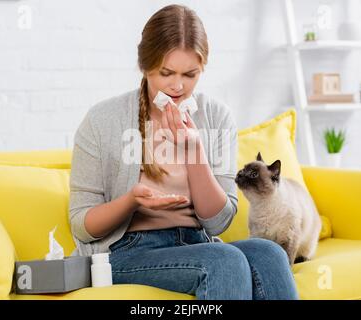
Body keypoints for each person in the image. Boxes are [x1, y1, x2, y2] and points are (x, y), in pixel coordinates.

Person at [69, 4, 299, 300]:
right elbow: (82, 225)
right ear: (145, 65)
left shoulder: (215, 116)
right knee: (224, 262)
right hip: (126, 251)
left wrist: (194, 150)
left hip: (196, 242)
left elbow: (218, 222)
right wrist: (131, 201)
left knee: (269, 253)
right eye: (166, 73)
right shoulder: (103, 120)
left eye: (190, 75)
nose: (177, 86)